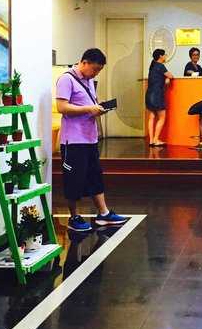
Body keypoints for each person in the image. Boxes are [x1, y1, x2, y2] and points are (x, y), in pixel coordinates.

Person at [55, 48, 128, 232]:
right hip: (73, 141)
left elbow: (86, 103)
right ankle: (74, 217)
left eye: (100, 70)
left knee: (95, 176)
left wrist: (97, 107)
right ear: (84, 62)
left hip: (89, 138)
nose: (97, 73)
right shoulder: (66, 79)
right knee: (74, 179)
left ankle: (104, 213)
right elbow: (62, 107)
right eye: (95, 69)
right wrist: (89, 109)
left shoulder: (87, 80)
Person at [146, 48, 173, 146]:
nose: (166, 56)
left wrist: (165, 78)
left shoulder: (153, 66)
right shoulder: (160, 66)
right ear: (160, 56)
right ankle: (156, 139)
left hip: (149, 94)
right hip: (157, 94)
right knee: (162, 117)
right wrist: (167, 78)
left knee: (151, 117)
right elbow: (170, 76)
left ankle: (151, 140)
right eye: (165, 54)